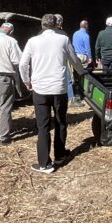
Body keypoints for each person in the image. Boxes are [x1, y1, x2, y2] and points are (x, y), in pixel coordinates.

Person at [20, 13, 83, 174]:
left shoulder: (32, 41)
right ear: (56, 25)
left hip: (40, 88)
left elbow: (23, 64)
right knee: (61, 122)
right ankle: (60, 155)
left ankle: (44, 164)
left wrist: (27, 81)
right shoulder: (63, 40)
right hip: (59, 88)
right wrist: (82, 72)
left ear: (42, 25)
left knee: (43, 126)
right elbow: (74, 60)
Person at [55, 14, 84, 107]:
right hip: (61, 61)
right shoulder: (63, 34)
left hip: (46, 63)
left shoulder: (42, 34)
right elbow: (70, 51)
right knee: (68, 79)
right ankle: (71, 99)